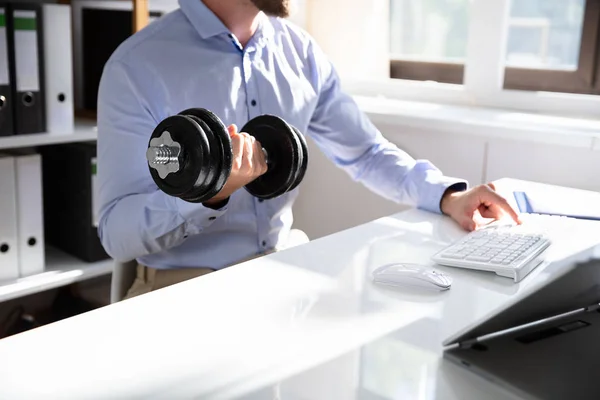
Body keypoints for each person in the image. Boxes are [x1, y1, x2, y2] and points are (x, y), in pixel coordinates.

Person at [96, 0, 521, 299]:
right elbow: (117, 232)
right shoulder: (137, 67)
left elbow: (367, 153)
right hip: (181, 291)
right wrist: (209, 194)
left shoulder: (300, 53)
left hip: (281, 277)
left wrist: (448, 195)